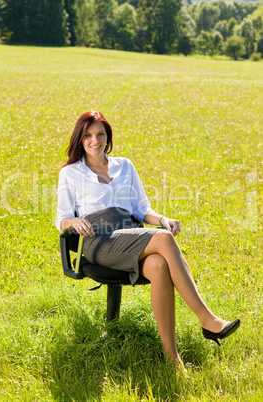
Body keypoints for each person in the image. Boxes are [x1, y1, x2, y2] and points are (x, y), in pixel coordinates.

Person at [56, 110, 240, 368]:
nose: (94, 140)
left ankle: (172, 358)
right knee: (163, 240)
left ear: (108, 137)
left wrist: (163, 219)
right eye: (87, 135)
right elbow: (62, 219)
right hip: (98, 239)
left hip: (128, 233)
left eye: (100, 134)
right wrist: (74, 221)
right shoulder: (70, 173)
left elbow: (142, 209)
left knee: (158, 265)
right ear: (80, 139)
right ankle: (208, 320)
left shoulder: (125, 166)